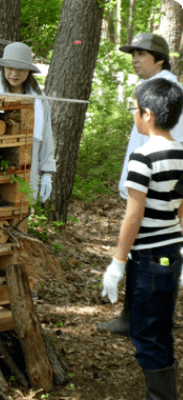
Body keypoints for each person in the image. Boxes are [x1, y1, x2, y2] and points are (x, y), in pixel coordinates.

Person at [101, 78, 183, 400]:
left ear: (147, 114)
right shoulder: (182, 153)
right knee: (162, 327)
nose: (133, 114)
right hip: (171, 253)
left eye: (134, 109)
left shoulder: (142, 157)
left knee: (145, 332)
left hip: (148, 258)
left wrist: (117, 263)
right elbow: (180, 208)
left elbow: (133, 216)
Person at [99, 32, 183, 335]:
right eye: (133, 54)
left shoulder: (171, 93)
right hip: (144, 180)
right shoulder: (145, 90)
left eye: (142, 54)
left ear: (160, 59)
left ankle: (156, 319)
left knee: (154, 249)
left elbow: (175, 141)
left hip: (160, 186)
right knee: (139, 248)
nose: (135, 59)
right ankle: (133, 316)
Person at [0, 41, 56, 203]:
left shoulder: (39, 101)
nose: (14, 73)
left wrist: (47, 173)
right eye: (10, 68)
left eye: (20, 69)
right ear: (3, 68)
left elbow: (46, 136)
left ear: (28, 71)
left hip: (26, 165)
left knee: (20, 211)